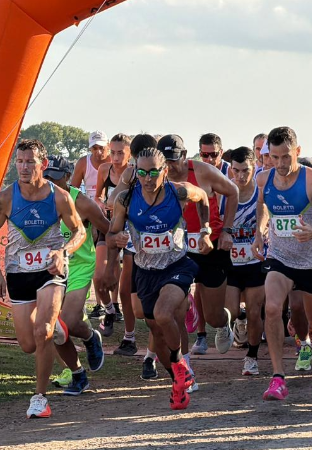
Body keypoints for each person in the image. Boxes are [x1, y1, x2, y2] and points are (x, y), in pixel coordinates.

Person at [0, 139, 86, 418]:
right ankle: (59, 324)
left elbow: (80, 231)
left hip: (49, 273)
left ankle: (40, 399)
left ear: (42, 164)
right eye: (20, 161)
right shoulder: (6, 197)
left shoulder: (59, 197)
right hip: (19, 274)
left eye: (30, 161)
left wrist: (63, 252)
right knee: (28, 344)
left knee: (43, 332)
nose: (24, 167)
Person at [105, 147, 210, 410]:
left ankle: (180, 365)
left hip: (177, 265)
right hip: (146, 271)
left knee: (164, 314)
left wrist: (206, 229)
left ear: (164, 170)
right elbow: (110, 235)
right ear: (135, 172)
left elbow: (204, 197)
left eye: (153, 172)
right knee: (155, 326)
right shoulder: (126, 200)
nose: (148, 178)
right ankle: (178, 380)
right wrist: (115, 241)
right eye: (142, 172)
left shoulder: (179, 191)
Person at [251, 126, 312, 401]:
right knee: (274, 308)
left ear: (297, 153)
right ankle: (278, 377)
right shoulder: (263, 179)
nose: (279, 164)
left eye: (285, 157)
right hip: (280, 257)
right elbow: (263, 207)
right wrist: (259, 232)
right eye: (274, 157)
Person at [159, 134, 239, 355]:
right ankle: (185, 367)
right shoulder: (156, 176)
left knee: (214, 316)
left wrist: (226, 230)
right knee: (175, 309)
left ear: (184, 155)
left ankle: (224, 323)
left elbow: (233, 192)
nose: (169, 166)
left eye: (173, 160)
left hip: (209, 247)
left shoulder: (203, 171)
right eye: (164, 161)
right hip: (178, 251)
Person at [43, 156, 108, 394]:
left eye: (54, 177)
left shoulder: (83, 203)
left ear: (68, 177)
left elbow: (109, 230)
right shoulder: (37, 199)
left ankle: (91, 337)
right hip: (50, 269)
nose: (48, 181)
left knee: (68, 321)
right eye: (45, 175)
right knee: (53, 327)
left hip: (79, 266)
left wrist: (110, 264)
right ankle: (78, 375)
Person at [223, 146, 267, 375]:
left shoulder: (260, 192)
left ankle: (252, 356)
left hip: (255, 261)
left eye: (245, 171)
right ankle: (237, 322)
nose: (240, 176)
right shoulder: (225, 193)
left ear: (254, 168)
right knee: (229, 310)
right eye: (236, 170)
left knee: (254, 310)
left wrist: (261, 232)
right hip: (231, 262)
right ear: (231, 169)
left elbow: (265, 214)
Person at [94, 133, 135, 351]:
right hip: (107, 228)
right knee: (100, 278)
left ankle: (129, 336)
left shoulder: (136, 173)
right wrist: (103, 205)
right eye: (113, 152)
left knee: (123, 286)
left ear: (129, 153)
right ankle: (109, 310)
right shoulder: (104, 170)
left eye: (121, 152)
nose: (116, 157)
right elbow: (98, 196)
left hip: (128, 231)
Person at [72, 131, 113, 320]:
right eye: (94, 148)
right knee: (92, 258)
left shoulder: (114, 162)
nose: (98, 152)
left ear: (108, 147)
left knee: (111, 262)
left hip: (108, 214)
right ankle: (97, 303)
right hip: (87, 215)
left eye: (101, 148)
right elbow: (71, 190)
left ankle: (115, 304)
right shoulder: (83, 163)